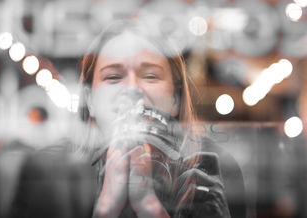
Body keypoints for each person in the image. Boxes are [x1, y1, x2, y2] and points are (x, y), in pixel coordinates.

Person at [77, 19, 244, 217]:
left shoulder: (209, 170)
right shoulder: (61, 173)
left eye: (150, 76)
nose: (132, 89)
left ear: (175, 98)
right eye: (113, 77)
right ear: (90, 100)